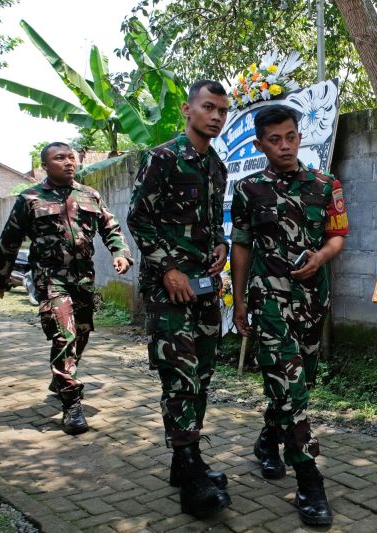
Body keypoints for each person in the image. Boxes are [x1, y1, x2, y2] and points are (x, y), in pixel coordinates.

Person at [231, 104, 348, 526]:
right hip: (269, 302)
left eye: (291, 136)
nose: (284, 145)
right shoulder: (248, 190)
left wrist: (320, 257)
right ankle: (309, 480)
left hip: (313, 301)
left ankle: (267, 441)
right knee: (291, 387)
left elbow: (337, 235)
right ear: (260, 144)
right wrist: (239, 301)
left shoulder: (325, 184)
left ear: (301, 136)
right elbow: (241, 246)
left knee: (296, 386)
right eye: (274, 139)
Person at [127, 79, 232, 518]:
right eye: (208, 107)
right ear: (187, 110)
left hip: (205, 290)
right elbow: (138, 218)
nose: (216, 116)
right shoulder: (163, 158)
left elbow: (212, 221)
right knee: (179, 375)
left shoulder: (217, 166)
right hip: (170, 290)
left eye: (222, 111)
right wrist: (168, 268)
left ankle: (182, 460)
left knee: (202, 373)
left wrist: (222, 245)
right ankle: (191, 470)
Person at [0, 142, 132, 436]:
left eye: (71, 157)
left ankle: (61, 375)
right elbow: (9, 241)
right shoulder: (30, 198)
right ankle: (72, 404)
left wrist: (120, 253)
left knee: (83, 332)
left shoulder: (90, 195)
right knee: (65, 334)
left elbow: (111, 228)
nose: (68, 162)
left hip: (83, 280)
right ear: (45, 166)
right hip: (51, 278)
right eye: (59, 158)